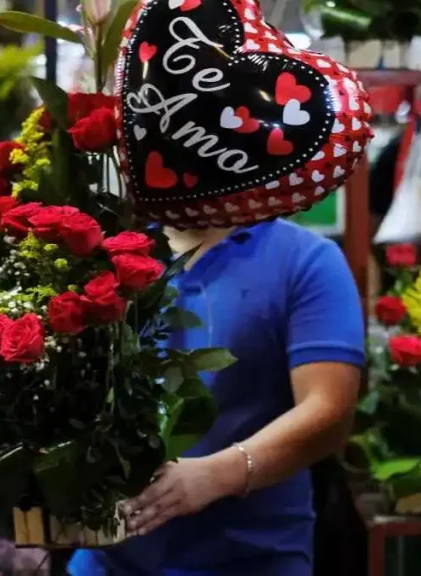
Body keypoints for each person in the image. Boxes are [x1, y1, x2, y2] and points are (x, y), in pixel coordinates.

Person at [68, 218, 365, 576]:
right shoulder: (107, 249)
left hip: (252, 558)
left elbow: (330, 411)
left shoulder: (306, 258)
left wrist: (215, 476)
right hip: (107, 559)